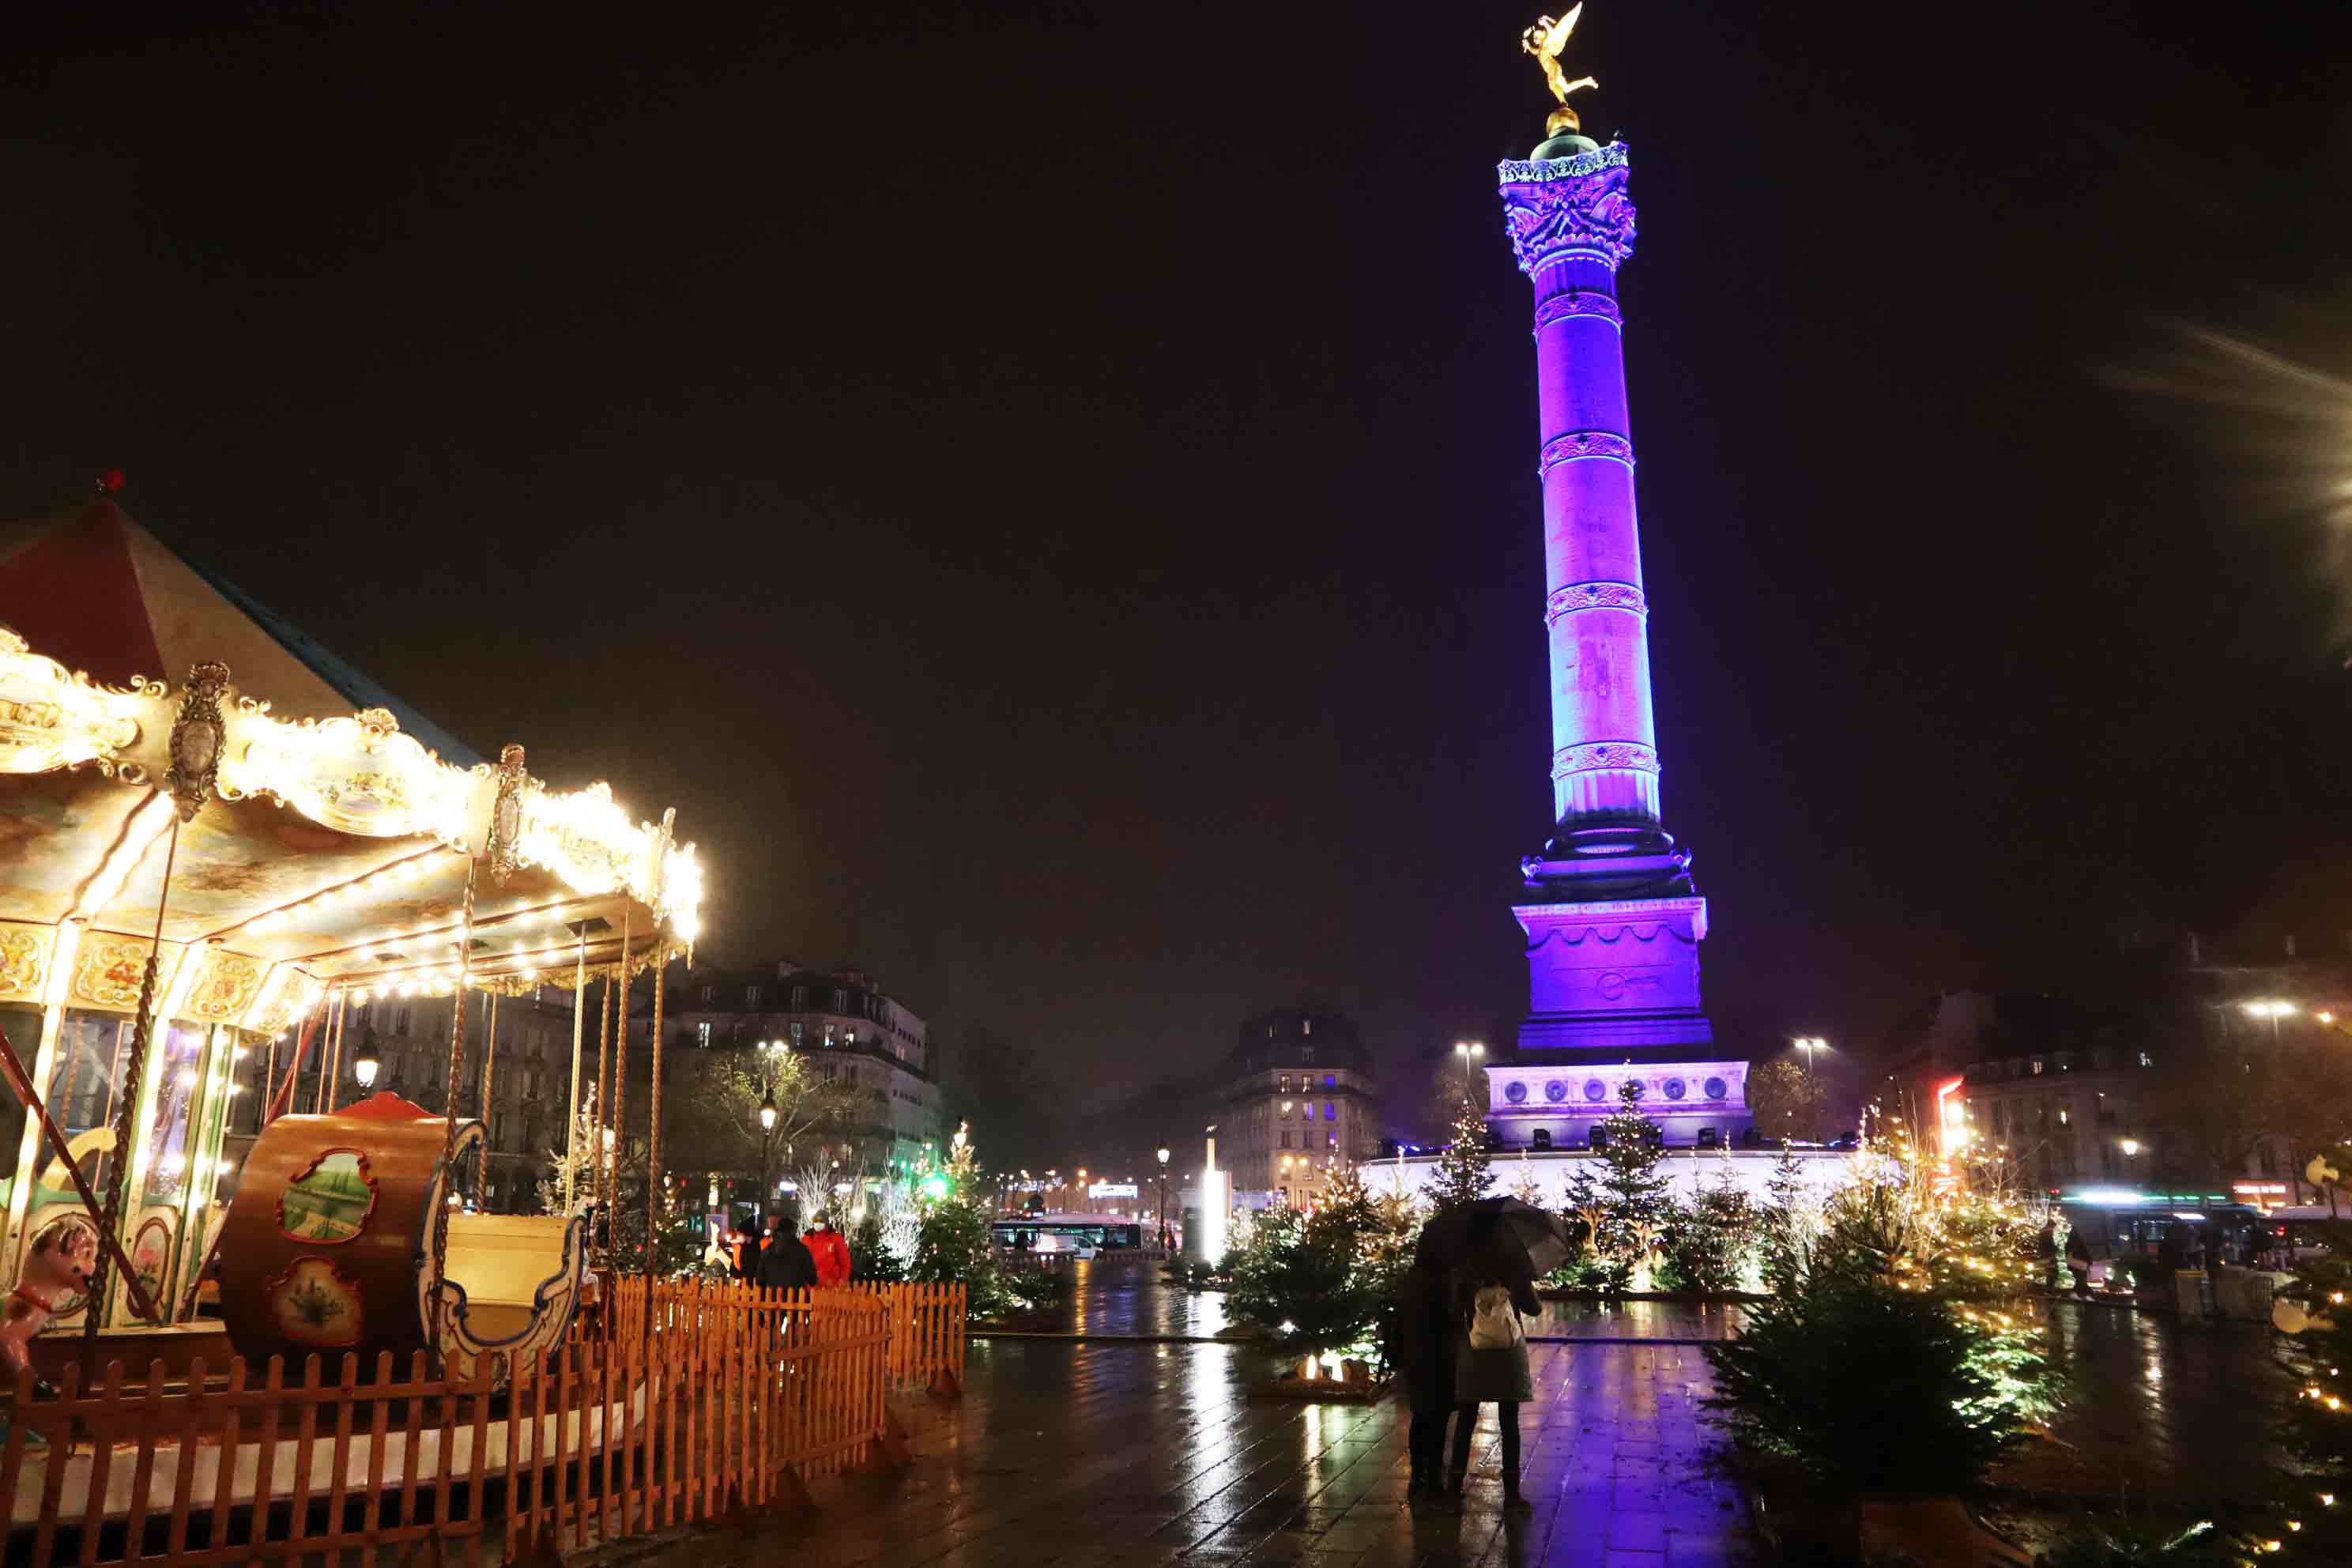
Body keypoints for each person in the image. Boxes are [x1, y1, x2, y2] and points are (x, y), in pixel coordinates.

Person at [1449, 1221, 1540, 1514]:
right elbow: (1534, 1308)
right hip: (1507, 1355)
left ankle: (1454, 1487)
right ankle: (1512, 1495)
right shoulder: (1514, 1268)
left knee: (1466, 1420)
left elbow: (1454, 1309)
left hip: (1474, 1352)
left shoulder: (1463, 1269)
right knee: (1509, 1423)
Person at [1385, 1259, 1457, 1508]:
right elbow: (1452, 1317)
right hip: (1439, 1358)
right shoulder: (1444, 1281)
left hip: (1414, 1358)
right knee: (1437, 1419)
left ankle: (1418, 1476)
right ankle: (1433, 1479)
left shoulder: (1411, 1281)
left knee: (1422, 1416)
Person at [756, 1214, 818, 1291]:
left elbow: (759, 1278)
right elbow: (812, 1278)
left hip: (772, 1297)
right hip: (797, 1297)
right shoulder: (802, 1250)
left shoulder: (768, 1250)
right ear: (793, 1231)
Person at [805, 1217, 852, 1287]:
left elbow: (845, 1262)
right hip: (810, 1286)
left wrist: (843, 1278)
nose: (818, 1223)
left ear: (826, 1223)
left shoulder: (836, 1239)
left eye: (821, 1221)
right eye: (816, 1221)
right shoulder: (807, 1239)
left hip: (830, 1285)